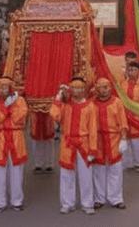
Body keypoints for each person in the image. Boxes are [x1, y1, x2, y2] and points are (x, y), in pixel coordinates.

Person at [51, 78, 99, 215]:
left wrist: (93, 148)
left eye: (79, 88)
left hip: (84, 143)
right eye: (74, 88)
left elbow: (93, 129)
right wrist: (58, 99)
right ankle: (67, 203)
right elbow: (55, 117)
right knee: (66, 175)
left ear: (84, 90)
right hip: (68, 143)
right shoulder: (65, 105)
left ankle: (88, 203)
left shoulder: (90, 106)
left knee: (86, 175)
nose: (76, 91)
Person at [0, 77, 27, 213]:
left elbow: (19, 118)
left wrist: (7, 109)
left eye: (6, 87)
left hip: (16, 138)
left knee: (17, 171)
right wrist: (7, 109)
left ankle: (17, 201)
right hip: (0, 139)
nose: (3, 90)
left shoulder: (20, 101)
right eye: (1, 87)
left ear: (11, 88)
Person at [91, 78, 129, 210]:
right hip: (98, 141)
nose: (105, 90)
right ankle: (98, 198)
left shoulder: (117, 102)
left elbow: (123, 122)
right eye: (102, 87)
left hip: (114, 139)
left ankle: (116, 199)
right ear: (97, 89)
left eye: (107, 87)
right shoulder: (91, 103)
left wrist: (123, 139)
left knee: (115, 170)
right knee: (98, 171)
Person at [122, 61, 139, 172]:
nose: (131, 72)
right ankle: (128, 162)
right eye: (129, 69)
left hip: (136, 117)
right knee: (126, 139)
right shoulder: (123, 83)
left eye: (133, 69)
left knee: (136, 141)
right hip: (124, 116)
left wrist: (137, 113)